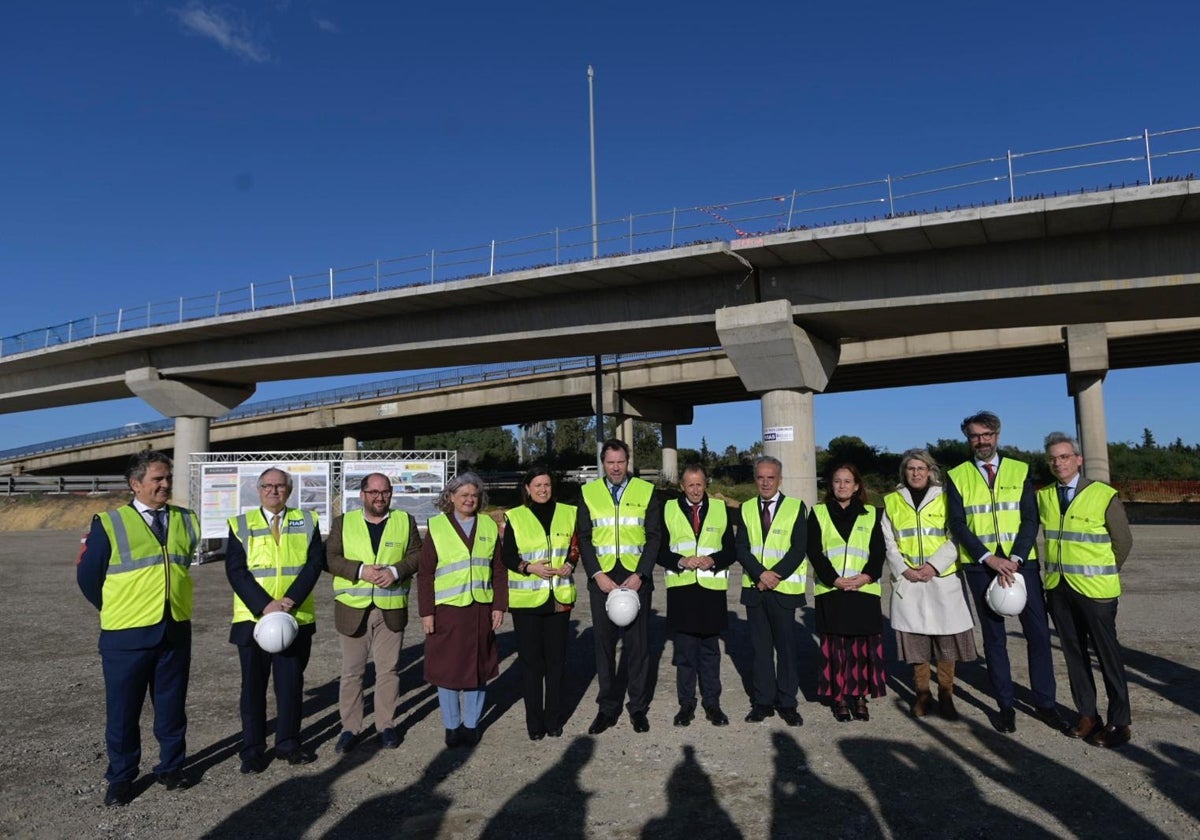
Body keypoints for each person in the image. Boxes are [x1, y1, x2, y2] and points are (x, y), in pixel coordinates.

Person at [77, 450, 200, 806]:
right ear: (136, 484)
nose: (165, 485)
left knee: (172, 708)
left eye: (168, 478)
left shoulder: (185, 519)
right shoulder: (109, 523)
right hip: (125, 636)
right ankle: (121, 778)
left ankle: (172, 767)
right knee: (123, 712)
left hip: (174, 630)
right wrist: (116, 607)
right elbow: (88, 578)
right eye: (157, 479)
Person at [946, 410, 1066, 734]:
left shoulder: (1020, 469)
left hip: (1020, 563)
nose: (981, 441)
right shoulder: (957, 475)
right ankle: (1005, 705)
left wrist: (1014, 558)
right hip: (981, 566)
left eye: (986, 435)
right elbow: (957, 524)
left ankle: (1045, 703)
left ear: (997, 435)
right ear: (968, 438)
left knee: (1038, 634)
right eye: (974, 436)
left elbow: (1030, 518)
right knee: (994, 638)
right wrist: (989, 558)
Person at [225, 467, 325, 773]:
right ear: (258, 490)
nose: (273, 491)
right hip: (253, 620)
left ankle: (288, 744)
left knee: (290, 684)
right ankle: (253, 749)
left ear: (289, 490)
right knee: (253, 687)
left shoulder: (308, 521)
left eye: (280, 486)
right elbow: (236, 570)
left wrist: (289, 602)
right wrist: (265, 605)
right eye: (267, 486)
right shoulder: (241, 524)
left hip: (295, 618)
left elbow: (314, 564)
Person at [1039, 432, 1134, 748]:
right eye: (1053, 458)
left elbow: (1123, 542)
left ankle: (1119, 722)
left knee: (1108, 657)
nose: (1059, 462)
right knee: (1074, 655)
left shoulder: (1103, 494)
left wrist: (1104, 573)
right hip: (1059, 589)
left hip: (1096, 592)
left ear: (1078, 459)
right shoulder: (1045, 497)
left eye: (1064, 456)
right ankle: (1087, 715)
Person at [326, 472, 423, 753]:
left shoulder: (405, 521)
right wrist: (360, 570)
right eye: (374, 492)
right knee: (352, 672)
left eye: (385, 492)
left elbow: (417, 555)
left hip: (390, 607)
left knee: (388, 671)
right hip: (352, 609)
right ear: (362, 495)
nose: (380, 497)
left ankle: (386, 725)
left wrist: (395, 571)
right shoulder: (344, 523)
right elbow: (330, 558)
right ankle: (350, 728)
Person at [881, 449, 977, 720]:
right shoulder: (892, 501)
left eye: (920, 468)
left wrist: (934, 566)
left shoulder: (946, 498)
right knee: (916, 640)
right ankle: (922, 693)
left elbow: (956, 536)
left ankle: (946, 694)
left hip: (941, 578)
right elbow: (889, 542)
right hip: (910, 580)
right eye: (910, 468)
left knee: (947, 638)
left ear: (930, 471)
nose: (915, 473)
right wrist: (903, 569)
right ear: (904, 472)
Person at [577, 438, 662, 735]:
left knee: (638, 647)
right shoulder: (588, 493)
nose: (616, 467)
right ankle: (607, 708)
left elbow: (654, 537)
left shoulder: (646, 491)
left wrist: (642, 574)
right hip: (602, 579)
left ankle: (638, 708)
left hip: (635, 578)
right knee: (604, 647)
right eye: (610, 462)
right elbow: (584, 538)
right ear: (603, 463)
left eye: (621, 462)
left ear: (628, 462)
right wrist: (596, 573)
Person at [418, 472, 505, 748]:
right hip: (447, 611)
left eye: (474, 495)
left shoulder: (490, 527)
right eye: (463, 495)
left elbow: (499, 570)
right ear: (451, 497)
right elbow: (425, 573)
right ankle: (451, 726)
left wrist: (499, 605)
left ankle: (471, 724)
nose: (469, 499)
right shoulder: (438, 526)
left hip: (480, 608)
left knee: (478, 667)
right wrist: (427, 612)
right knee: (447, 669)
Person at [500, 465, 579, 740]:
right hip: (527, 603)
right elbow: (507, 556)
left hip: (558, 599)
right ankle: (534, 723)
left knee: (557, 663)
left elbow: (575, 547)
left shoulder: (569, 513)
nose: (543, 490)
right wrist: (528, 567)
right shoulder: (515, 517)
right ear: (527, 489)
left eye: (547, 485)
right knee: (532, 665)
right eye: (538, 485)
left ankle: (553, 719)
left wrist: (570, 563)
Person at [807, 463, 887, 722]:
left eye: (847, 481)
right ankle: (840, 697)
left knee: (862, 648)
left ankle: (860, 697)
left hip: (864, 590)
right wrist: (835, 580)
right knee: (837, 647)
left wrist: (866, 577)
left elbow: (878, 551)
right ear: (831, 485)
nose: (842, 485)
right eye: (837, 481)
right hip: (833, 589)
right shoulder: (818, 513)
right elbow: (815, 551)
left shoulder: (872, 514)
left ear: (856, 486)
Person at [657, 464, 735, 727]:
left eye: (699, 484)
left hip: (711, 591)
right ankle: (686, 705)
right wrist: (680, 561)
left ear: (706, 484)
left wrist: (712, 560)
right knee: (686, 653)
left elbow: (731, 551)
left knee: (711, 652)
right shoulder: (667, 509)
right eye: (690, 485)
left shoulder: (721, 510)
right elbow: (658, 551)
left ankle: (713, 704)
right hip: (682, 590)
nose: (695, 490)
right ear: (682, 486)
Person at [735, 455, 808, 726]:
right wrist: (760, 575)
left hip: (783, 590)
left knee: (786, 649)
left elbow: (799, 548)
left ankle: (787, 703)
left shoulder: (796, 507)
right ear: (755, 479)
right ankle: (763, 702)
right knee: (761, 649)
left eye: (771, 477)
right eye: (760, 477)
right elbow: (741, 547)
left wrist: (774, 576)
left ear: (780, 479)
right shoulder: (745, 508)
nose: (765, 482)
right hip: (756, 590)